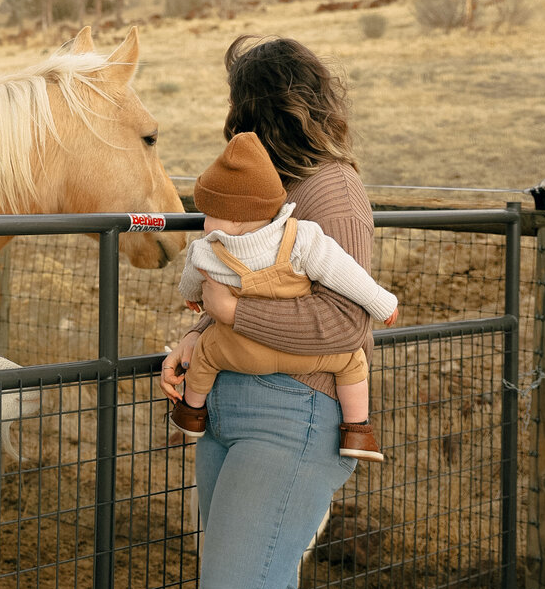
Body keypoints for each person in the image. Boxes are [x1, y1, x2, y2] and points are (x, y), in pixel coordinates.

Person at [157, 35, 385, 589]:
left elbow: (341, 327)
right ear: (310, 96)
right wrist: (196, 344)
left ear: (259, 104)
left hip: (294, 419)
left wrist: (221, 320)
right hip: (235, 413)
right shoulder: (258, 196)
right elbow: (222, 296)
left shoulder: (331, 191)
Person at [168, 131, 398, 461]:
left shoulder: (205, 251)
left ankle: (191, 416)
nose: (205, 222)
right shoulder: (302, 237)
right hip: (303, 358)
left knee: (205, 355)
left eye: (210, 213)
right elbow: (345, 275)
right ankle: (357, 431)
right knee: (352, 361)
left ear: (233, 218)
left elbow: (191, 281)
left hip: (238, 352)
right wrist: (382, 302)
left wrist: (193, 298)